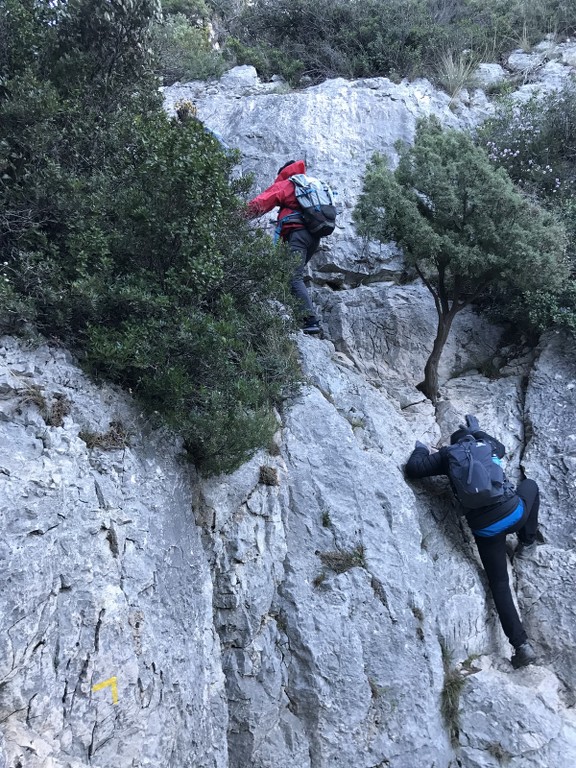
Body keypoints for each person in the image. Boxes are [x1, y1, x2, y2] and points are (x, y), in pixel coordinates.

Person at [405, 415, 540, 669]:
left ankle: (522, 646)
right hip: (514, 513)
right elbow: (499, 448)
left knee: (500, 584)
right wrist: (478, 432)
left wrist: (421, 449)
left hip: (486, 529)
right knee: (531, 485)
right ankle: (527, 542)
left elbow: (414, 470)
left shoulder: (448, 456)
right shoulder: (487, 446)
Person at [246, 160, 322, 335]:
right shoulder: (310, 184)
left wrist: (236, 217)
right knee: (290, 275)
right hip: (313, 236)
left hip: (297, 235)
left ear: (283, 172)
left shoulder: (288, 183)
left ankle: (310, 321)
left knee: (293, 277)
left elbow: (262, 202)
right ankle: (296, 315)